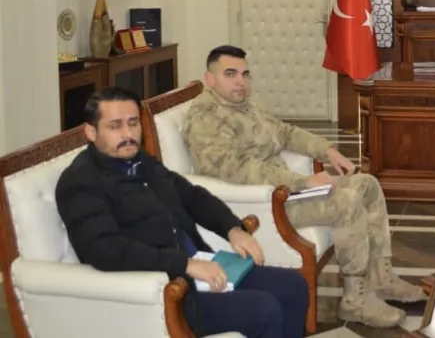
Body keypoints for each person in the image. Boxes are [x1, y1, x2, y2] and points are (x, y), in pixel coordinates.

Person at [182, 45, 424, 328]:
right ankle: (355, 301)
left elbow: (286, 133)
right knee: (346, 202)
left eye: (245, 74)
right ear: (210, 78)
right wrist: (302, 181)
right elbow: (236, 170)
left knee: (367, 184)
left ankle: (381, 278)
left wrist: (328, 150)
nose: (240, 82)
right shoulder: (205, 117)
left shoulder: (247, 105)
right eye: (230, 74)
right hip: (263, 205)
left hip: (286, 192)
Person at [56, 87, 308, 338]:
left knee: (293, 287)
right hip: (168, 293)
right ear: (91, 131)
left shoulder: (140, 162)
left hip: (201, 268)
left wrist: (233, 228)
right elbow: (105, 250)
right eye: (115, 126)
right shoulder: (81, 182)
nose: (128, 134)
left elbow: (192, 196)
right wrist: (185, 264)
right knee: (263, 310)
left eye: (133, 123)